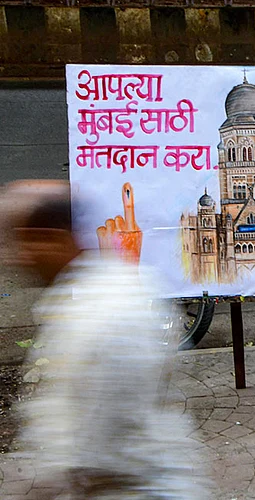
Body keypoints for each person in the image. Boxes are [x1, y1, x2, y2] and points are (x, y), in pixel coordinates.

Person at [1, 180, 208, 499]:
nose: (18, 258)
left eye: (25, 241)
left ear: (53, 239)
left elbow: (99, 448)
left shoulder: (107, 315)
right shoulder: (81, 299)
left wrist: (47, 483)